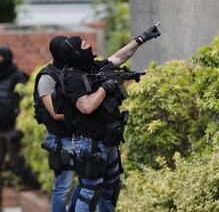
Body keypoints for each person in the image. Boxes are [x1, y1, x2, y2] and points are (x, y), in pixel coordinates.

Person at [56, 23, 161, 212]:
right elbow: (86, 106)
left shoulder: (92, 67)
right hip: (88, 141)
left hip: (107, 136)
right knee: (89, 191)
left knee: (110, 189)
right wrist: (107, 87)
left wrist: (142, 38)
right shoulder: (72, 77)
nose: (89, 46)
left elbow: (118, 57)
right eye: (85, 45)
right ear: (77, 53)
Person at [33, 36, 80, 212]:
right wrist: (84, 109)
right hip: (60, 139)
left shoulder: (73, 70)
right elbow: (55, 113)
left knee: (86, 182)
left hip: (78, 135)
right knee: (62, 187)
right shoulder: (47, 77)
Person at [0, 46, 39, 212]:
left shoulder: (18, 77)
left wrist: (18, 128)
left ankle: (39, 189)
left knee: (18, 166)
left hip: (12, 131)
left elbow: (26, 104)